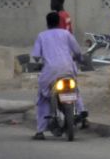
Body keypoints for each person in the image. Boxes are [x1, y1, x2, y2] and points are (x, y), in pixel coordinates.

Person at [30, 12, 87, 140]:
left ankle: (40, 131)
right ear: (59, 22)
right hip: (67, 69)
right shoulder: (66, 34)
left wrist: (38, 63)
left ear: (47, 23)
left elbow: (36, 56)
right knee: (75, 90)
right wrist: (79, 58)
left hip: (50, 72)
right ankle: (81, 110)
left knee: (43, 98)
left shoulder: (42, 36)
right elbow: (77, 51)